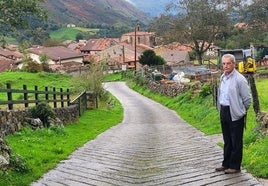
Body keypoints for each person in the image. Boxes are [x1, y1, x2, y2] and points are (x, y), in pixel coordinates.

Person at [216, 53, 252, 174]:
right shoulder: (222, 77)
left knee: (236, 141)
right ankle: (226, 164)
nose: (226, 66)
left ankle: (235, 166)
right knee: (227, 140)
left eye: (228, 63)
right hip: (224, 110)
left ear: (234, 64)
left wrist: (240, 111)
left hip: (235, 112)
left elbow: (247, 99)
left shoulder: (239, 79)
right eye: (224, 64)